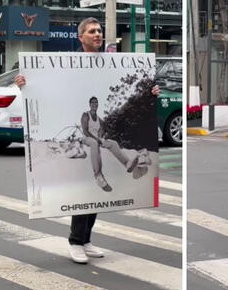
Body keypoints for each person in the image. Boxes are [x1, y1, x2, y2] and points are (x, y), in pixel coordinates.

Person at [15, 17, 160, 264]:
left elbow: (107, 126)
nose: (97, 34)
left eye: (100, 31)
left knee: (100, 176)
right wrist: (24, 84)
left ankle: (87, 238)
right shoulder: (66, 65)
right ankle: (75, 240)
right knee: (84, 191)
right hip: (84, 138)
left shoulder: (111, 65)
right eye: (92, 31)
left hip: (97, 138)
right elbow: (50, 91)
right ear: (80, 37)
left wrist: (151, 92)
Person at [81, 96, 140, 192]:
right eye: (92, 102)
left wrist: (101, 138)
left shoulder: (99, 120)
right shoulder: (85, 115)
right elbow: (85, 131)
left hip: (97, 139)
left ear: (98, 104)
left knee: (113, 143)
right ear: (90, 104)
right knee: (94, 143)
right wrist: (96, 139)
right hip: (87, 139)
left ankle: (127, 163)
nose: (94, 104)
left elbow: (102, 131)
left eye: (96, 102)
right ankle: (98, 176)